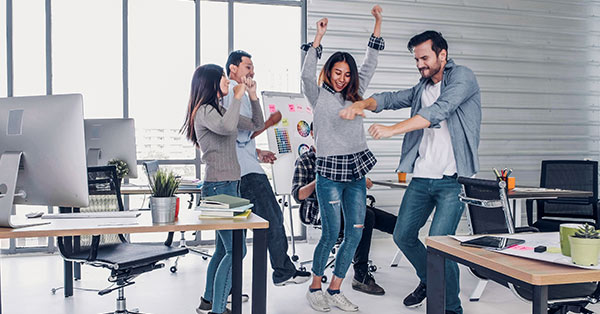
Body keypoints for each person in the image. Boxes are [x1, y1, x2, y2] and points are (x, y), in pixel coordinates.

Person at [340, 30, 482, 314]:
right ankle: (430, 280)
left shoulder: (463, 78)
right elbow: (392, 98)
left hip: (452, 182)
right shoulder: (421, 88)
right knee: (403, 235)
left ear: (442, 54)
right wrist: (364, 103)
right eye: (416, 59)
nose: (420, 64)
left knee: (442, 246)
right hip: (421, 178)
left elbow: (439, 111)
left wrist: (392, 129)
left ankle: (450, 309)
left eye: (424, 58)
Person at [301, 5, 384, 312]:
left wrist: (378, 22)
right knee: (329, 234)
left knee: (355, 234)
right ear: (329, 72)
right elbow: (306, 72)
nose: (342, 78)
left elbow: (371, 61)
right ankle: (315, 287)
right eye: (338, 72)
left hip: (356, 173)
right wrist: (318, 37)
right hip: (328, 174)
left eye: (347, 74)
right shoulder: (317, 94)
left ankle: (335, 290)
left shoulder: (356, 94)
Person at [222, 50, 311, 286]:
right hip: (248, 173)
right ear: (233, 68)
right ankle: (283, 271)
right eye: (247, 67)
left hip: (241, 168)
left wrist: (258, 151)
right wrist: (269, 122)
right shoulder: (234, 92)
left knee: (237, 237)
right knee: (272, 217)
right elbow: (244, 129)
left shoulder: (230, 92)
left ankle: (226, 289)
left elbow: (238, 137)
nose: (252, 71)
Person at [181, 64, 264, 314]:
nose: (228, 82)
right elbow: (229, 128)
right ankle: (218, 310)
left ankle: (208, 301)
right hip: (218, 189)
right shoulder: (205, 111)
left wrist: (251, 95)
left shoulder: (219, 109)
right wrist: (237, 96)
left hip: (230, 187)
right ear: (210, 83)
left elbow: (256, 124)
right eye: (223, 79)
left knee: (223, 250)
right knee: (237, 250)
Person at [291, 123, 397, 296]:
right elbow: (298, 195)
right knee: (367, 216)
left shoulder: (342, 157)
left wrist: (361, 181)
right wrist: (323, 179)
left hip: (349, 206)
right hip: (319, 210)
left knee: (396, 224)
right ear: (312, 133)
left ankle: (426, 270)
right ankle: (360, 275)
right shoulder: (305, 160)